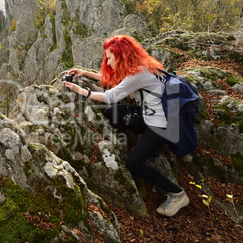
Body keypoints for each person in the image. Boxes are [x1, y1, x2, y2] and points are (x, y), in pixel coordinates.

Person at [63, 35, 189, 217]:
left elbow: (110, 96)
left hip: (162, 126)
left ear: (121, 56)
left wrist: (80, 91)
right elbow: (116, 82)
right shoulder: (141, 67)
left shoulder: (138, 74)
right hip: (154, 115)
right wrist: (86, 73)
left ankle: (177, 194)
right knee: (112, 113)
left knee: (133, 163)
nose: (107, 61)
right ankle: (144, 141)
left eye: (110, 57)